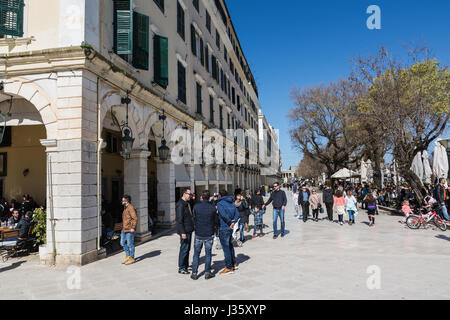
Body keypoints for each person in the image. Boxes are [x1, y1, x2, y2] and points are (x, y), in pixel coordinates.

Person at [191, 190, 217, 280]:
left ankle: (194, 273)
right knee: (208, 254)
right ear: (209, 197)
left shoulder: (196, 206)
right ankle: (207, 273)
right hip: (209, 233)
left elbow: (193, 218)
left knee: (196, 254)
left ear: (202, 196)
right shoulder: (213, 207)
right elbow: (215, 221)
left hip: (198, 233)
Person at [217, 190, 239, 275]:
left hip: (224, 227)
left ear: (220, 195)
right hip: (231, 227)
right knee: (230, 246)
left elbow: (223, 214)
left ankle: (229, 267)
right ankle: (234, 263)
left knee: (226, 248)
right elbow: (237, 214)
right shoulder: (232, 202)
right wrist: (233, 222)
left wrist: (230, 223)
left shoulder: (220, 203)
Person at [176, 188, 194, 274]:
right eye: (189, 194)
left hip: (189, 230)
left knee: (187, 249)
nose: (190, 196)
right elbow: (179, 220)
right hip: (185, 231)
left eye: (191, 194)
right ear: (184, 194)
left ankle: (185, 266)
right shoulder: (180, 204)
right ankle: (181, 267)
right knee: (184, 249)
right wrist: (182, 232)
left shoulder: (187, 203)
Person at [120, 195, 138, 265]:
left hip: (129, 229)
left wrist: (133, 228)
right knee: (122, 243)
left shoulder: (131, 208)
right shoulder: (126, 208)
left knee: (130, 244)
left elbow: (135, 218)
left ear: (126, 201)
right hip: (124, 229)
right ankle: (128, 256)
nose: (121, 201)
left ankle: (132, 258)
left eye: (123, 200)